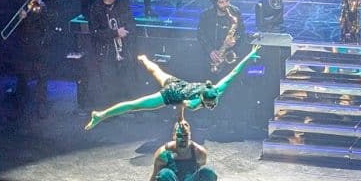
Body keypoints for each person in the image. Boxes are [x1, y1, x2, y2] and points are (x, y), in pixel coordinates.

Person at [84, 46, 259, 130]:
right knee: (134, 105)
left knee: (155, 70)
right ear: (203, 99)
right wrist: (180, 119)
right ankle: (100, 115)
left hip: (177, 83)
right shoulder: (195, 101)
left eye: (212, 104)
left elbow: (234, 72)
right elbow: (182, 104)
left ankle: (144, 58)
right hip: (170, 94)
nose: (212, 106)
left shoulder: (217, 88)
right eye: (209, 104)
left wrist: (250, 54)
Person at [142, 113, 218, 181]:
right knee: (163, 174)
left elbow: (202, 176)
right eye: (179, 136)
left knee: (209, 172)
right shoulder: (163, 153)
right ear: (174, 136)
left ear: (190, 135)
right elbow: (155, 177)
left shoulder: (199, 152)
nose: (183, 139)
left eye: (185, 136)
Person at [81, 0, 136, 106]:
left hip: (124, 49)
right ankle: (109, 109)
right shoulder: (96, 8)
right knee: (108, 81)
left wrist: (125, 31)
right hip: (106, 52)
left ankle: (125, 106)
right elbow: (95, 32)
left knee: (126, 79)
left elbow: (131, 23)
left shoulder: (122, 4)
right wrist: (115, 33)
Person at [10, 0, 55, 117]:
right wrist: (20, 17)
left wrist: (41, 7)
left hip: (41, 43)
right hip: (26, 43)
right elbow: (19, 23)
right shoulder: (24, 0)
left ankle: (42, 106)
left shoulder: (47, 0)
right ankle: (19, 106)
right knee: (23, 75)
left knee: (42, 76)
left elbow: (50, 21)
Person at [197, 0, 245, 75]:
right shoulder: (206, 15)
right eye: (221, 2)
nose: (226, 5)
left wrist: (235, 39)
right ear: (215, 3)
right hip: (212, 59)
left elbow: (242, 32)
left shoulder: (235, 12)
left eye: (227, 1)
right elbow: (200, 35)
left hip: (230, 59)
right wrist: (210, 50)